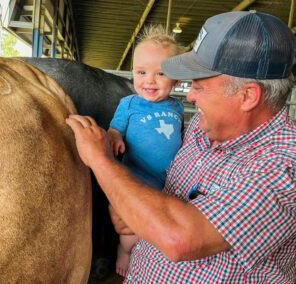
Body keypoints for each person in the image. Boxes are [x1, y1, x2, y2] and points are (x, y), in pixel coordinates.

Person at [66, 10, 296, 283]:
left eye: (199, 87)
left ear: (247, 96)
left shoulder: (284, 165)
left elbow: (179, 238)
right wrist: (135, 212)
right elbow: (173, 194)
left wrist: (100, 159)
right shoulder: (201, 124)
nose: (188, 95)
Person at [107, 25, 184, 277]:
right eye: (142, 72)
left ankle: (148, 259)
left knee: (159, 226)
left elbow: (179, 136)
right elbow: (114, 129)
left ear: (176, 80)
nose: (149, 80)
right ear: (133, 73)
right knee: (131, 231)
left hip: (167, 181)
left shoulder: (177, 107)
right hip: (136, 177)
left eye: (160, 74)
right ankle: (125, 251)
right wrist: (115, 137)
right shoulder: (128, 103)